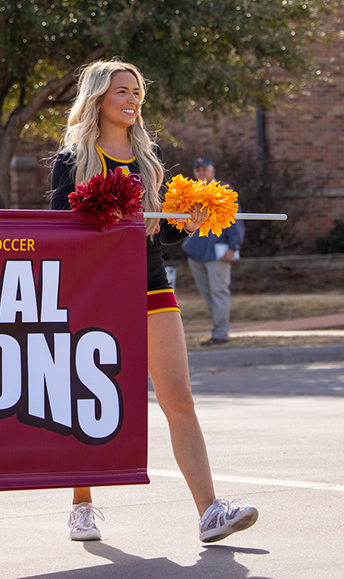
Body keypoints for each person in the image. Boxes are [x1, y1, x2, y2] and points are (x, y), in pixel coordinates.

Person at [50, 60, 258, 545]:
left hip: (150, 285)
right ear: (98, 97)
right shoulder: (70, 159)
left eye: (138, 92)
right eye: (122, 90)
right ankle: (82, 504)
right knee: (88, 400)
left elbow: (154, 232)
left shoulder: (149, 156)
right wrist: (108, 215)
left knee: (179, 396)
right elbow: (60, 233)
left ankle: (210, 512)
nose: (133, 99)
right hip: (95, 292)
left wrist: (183, 221)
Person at [182, 156, 244, 346]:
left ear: (213, 171)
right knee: (208, 295)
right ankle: (218, 330)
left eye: (205, 169)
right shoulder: (189, 192)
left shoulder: (224, 191)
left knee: (219, 292)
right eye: (198, 170)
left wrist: (234, 247)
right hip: (196, 253)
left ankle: (221, 334)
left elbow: (236, 220)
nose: (201, 173)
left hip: (218, 254)